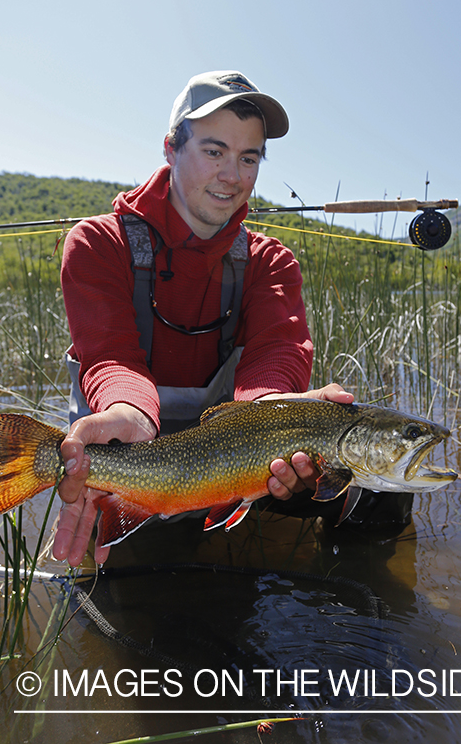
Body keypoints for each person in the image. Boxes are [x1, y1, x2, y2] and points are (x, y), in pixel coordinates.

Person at [53, 69, 357, 568]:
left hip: (240, 464)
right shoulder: (98, 245)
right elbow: (110, 358)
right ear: (171, 149)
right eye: (214, 151)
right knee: (141, 592)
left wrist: (274, 415)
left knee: (378, 492)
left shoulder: (271, 262)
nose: (232, 176)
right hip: (131, 456)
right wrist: (130, 415)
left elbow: (277, 352)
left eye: (248, 158)